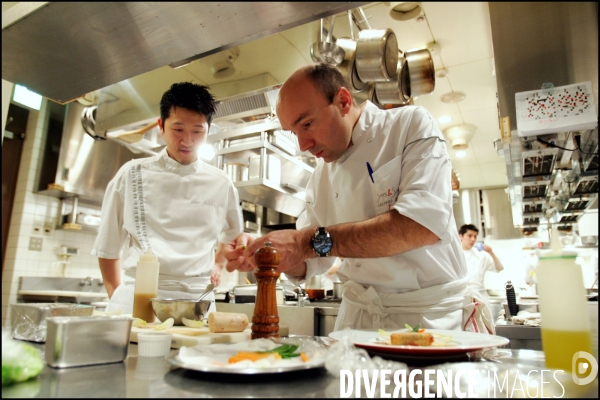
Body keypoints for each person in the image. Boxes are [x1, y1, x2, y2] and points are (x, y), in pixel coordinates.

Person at [224, 63, 491, 333]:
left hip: (426, 320)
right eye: (295, 133)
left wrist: (304, 242)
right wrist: (268, 252)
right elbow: (313, 259)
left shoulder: (408, 126)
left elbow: (419, 226)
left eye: (307, 124)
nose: (303, 145)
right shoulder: (319, 178)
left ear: (343, 101)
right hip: (357, 322)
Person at [92, 82, 243, 315]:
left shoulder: (221, 183)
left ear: (209, 129)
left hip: (197, 299)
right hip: (140, 296)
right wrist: (119, 298)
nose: (188, 141)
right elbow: (108, 247)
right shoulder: (130, 174)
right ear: (161, 126)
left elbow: (233, 235)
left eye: (197, 131)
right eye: (178, 129)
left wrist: (218, 264)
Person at [458, 224, 505, 303]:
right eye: (469, 236)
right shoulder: (456, 255)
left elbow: (499, 268)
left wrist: (491, 252)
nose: (473, 239)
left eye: (475, 236)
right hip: (462, 296)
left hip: (480, 295)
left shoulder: (481, 255)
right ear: (461, 236)